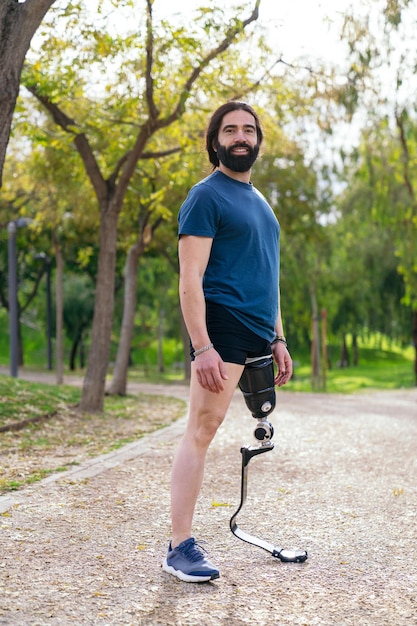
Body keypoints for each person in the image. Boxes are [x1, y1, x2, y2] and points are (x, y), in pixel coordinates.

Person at [162, 101, 293, 583]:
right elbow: (190, 278)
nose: (240, 137)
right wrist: (202, 345)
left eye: (248, 130)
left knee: (212, 427)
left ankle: (180, 542)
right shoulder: (205, 197)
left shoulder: (260, 201)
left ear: (258, 140)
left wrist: (278, 337)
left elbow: (270, 276)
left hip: (258, 331)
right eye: (230, 129)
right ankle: (179, 547)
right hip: (222, 326)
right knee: (202, 428)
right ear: (214, 140)